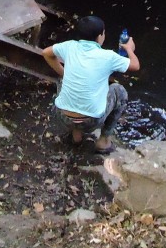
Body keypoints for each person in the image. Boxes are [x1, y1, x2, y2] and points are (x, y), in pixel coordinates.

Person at [42, 15, 140, 155]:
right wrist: (130, 49)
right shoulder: (108, 56)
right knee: (119, 91)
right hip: (91, 121)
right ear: (100, 36)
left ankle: (76, 136)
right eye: (104, 33)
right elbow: (135, 66)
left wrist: (64, 73)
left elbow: (46, 53)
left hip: (62, 115)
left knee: (63, 80)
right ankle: (103, 141)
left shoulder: (69, 46)